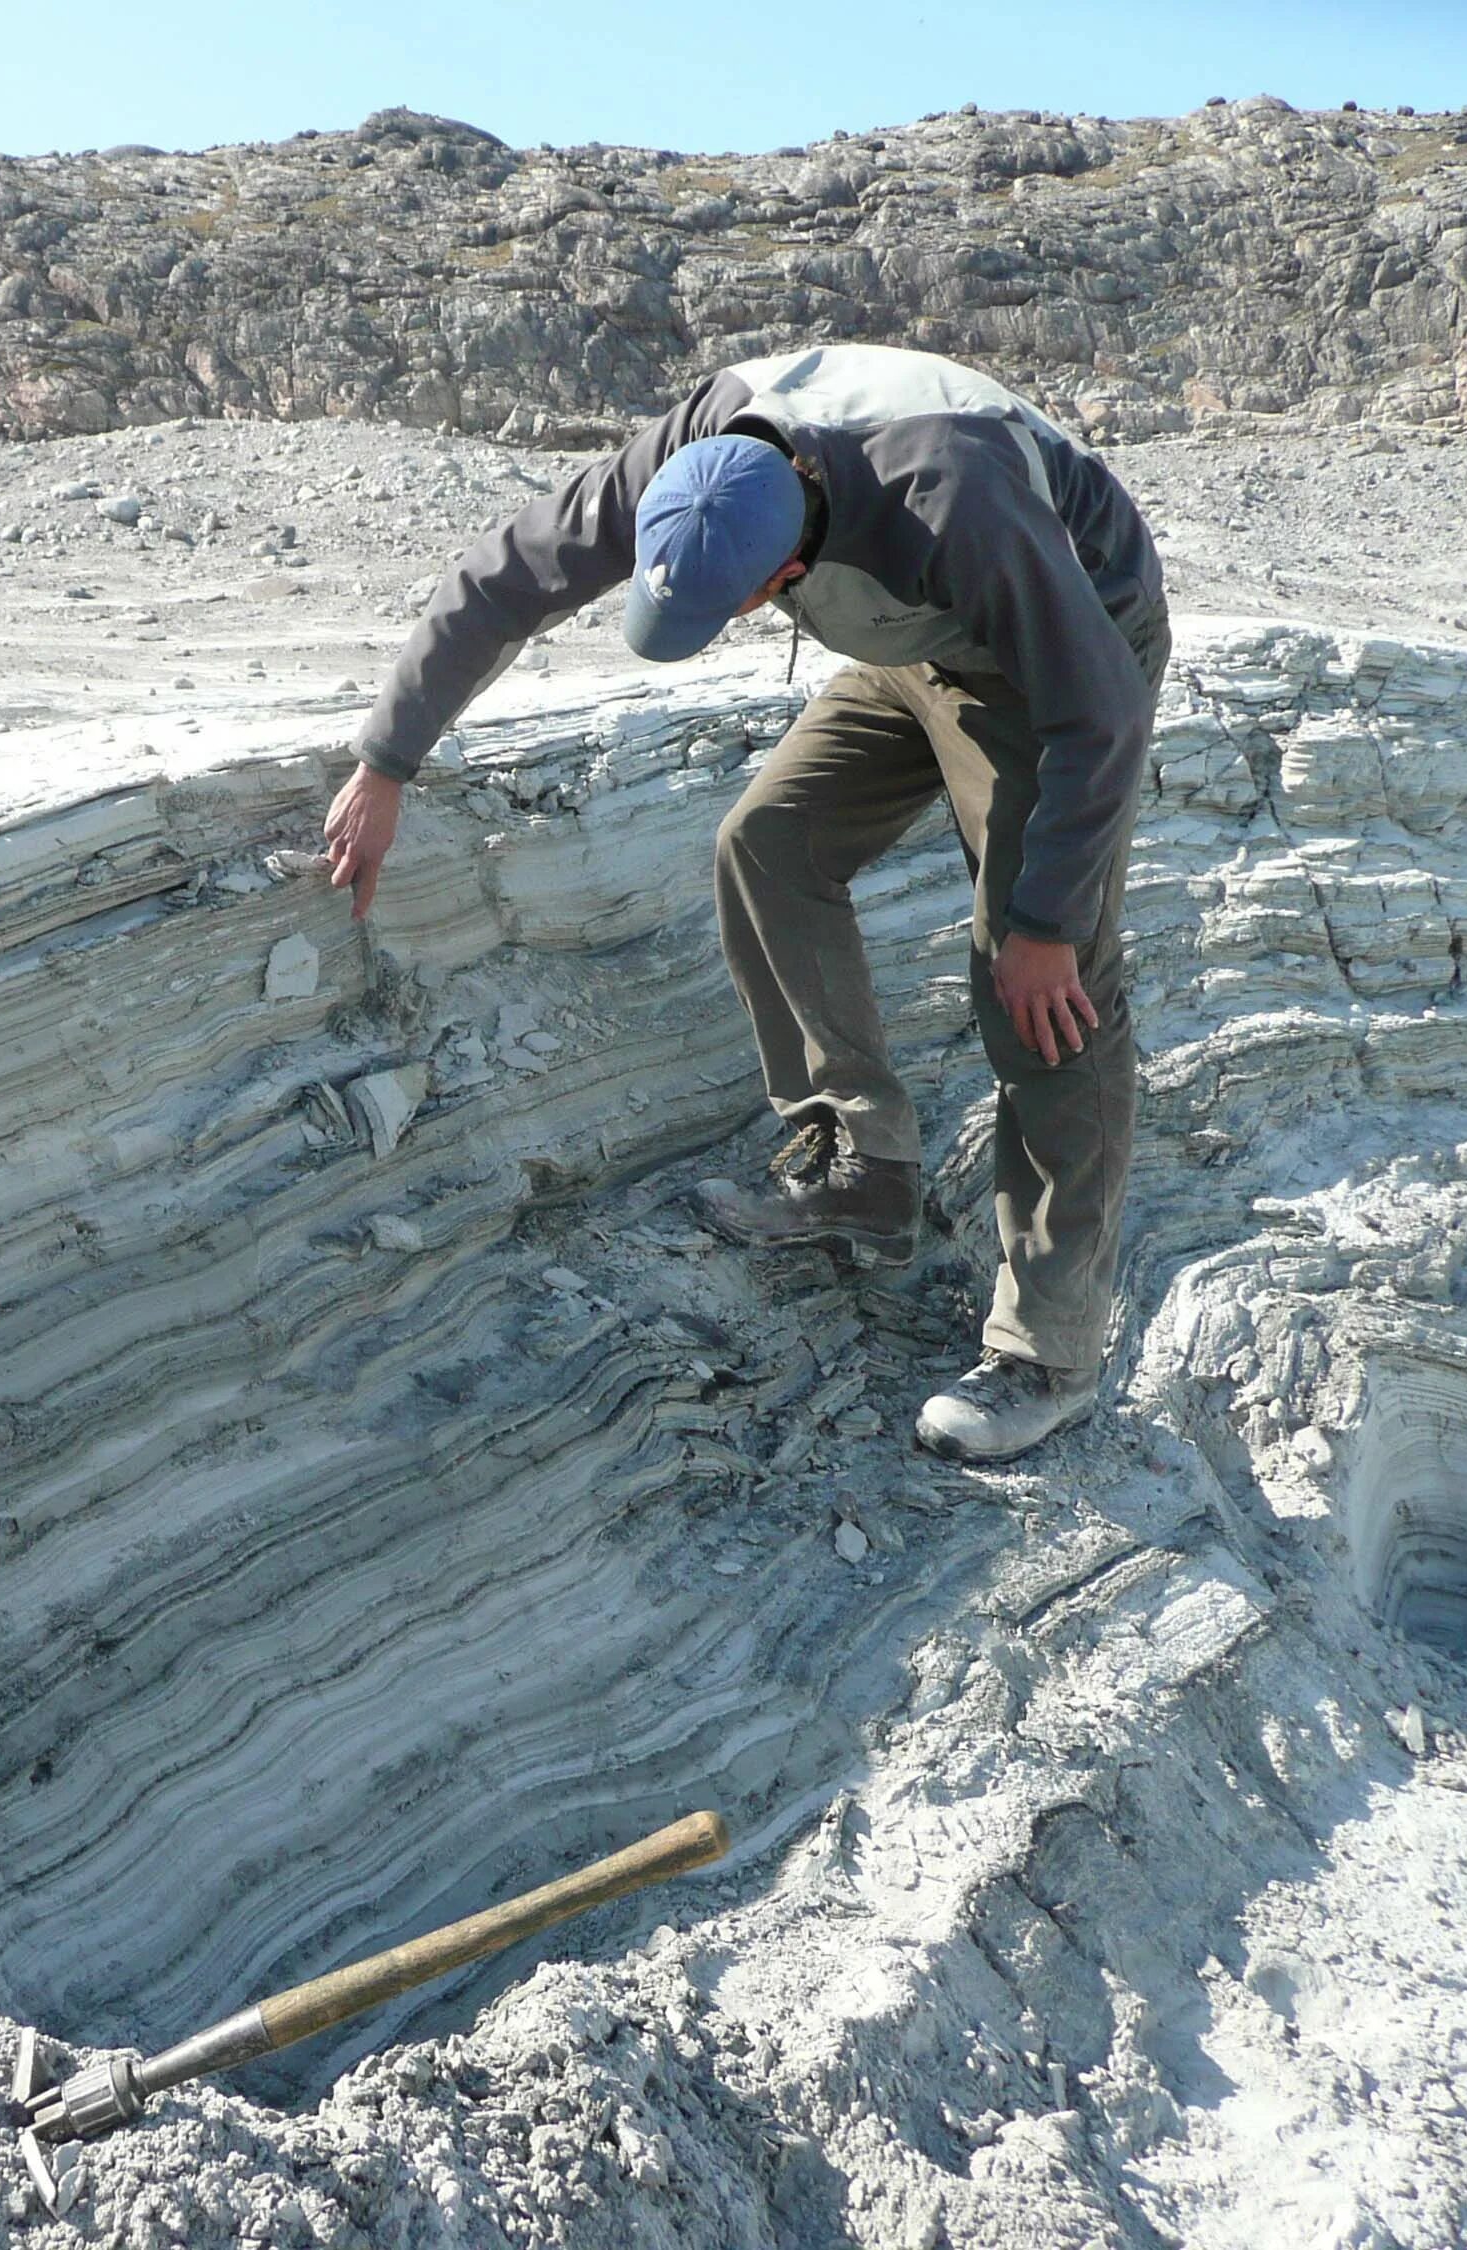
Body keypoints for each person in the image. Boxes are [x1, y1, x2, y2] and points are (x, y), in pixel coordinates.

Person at [324, 344, 1168, 1465]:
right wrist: (386, 761)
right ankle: (863, 1167)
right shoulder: (694, 454)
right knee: (768, 843)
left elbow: (1097, 711)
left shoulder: (955, 495)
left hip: (1067, 650)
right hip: (913, 638)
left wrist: (1049, 925)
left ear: (782, 572)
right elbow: (502, 578)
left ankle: (1047, 1351)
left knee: (1036, 993)